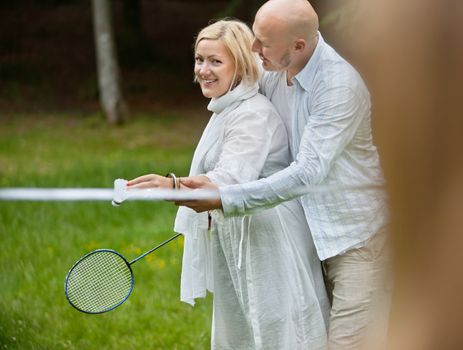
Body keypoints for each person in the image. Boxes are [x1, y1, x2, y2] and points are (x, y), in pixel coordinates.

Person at [177, 1, 390, 349]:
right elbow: (241, 104)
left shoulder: (338, 86)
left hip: (355, 240)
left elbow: (307, 173)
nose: (254, 49)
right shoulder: (274, 66)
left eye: (263, 42)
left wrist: (225, 197)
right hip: (307, 237)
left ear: (298, 46)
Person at [127, 19, 329, 349]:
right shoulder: (228, 107)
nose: (204, 70)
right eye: (199, 59)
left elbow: (228, 181)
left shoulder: (251, 114)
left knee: (276, 330)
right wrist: (174, 186)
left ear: (240, 63)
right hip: (240, 230)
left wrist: (173, 186)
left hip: (270, 236)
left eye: (215, 61)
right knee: (243, 330)